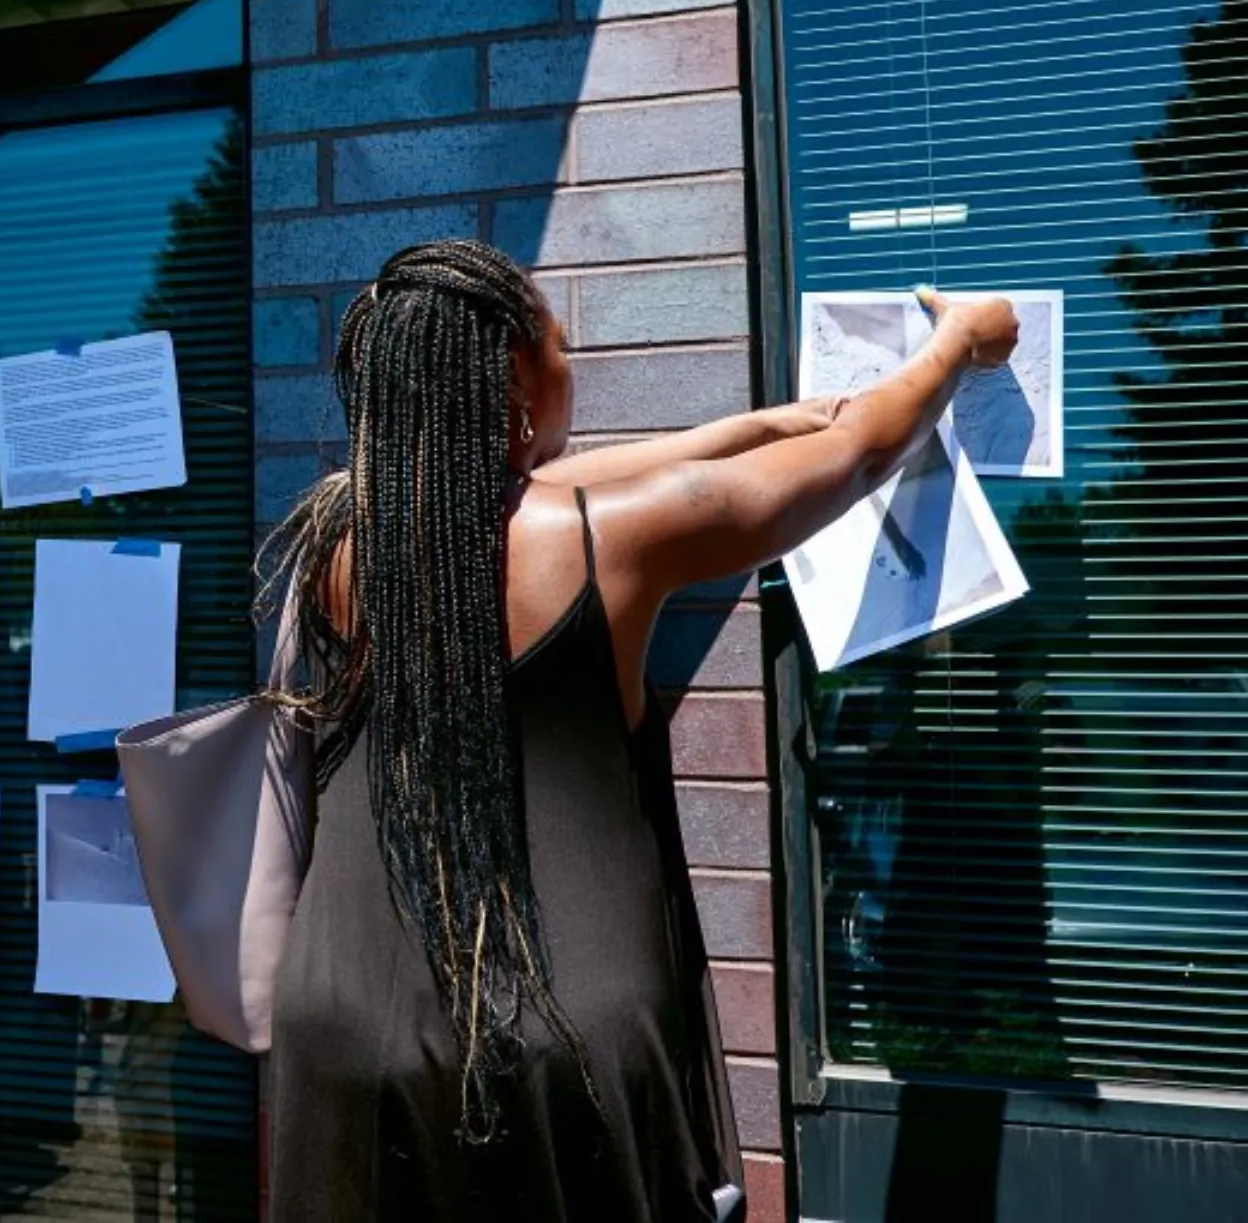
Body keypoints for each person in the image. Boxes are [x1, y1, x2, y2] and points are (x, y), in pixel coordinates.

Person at [263, 241, 1019, 1221]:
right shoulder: (604, 537)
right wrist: (958, 342)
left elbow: (594, 474)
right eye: (561, 345)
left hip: (338, 1027)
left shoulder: (334, 542)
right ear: (517, 381)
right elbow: (864, 453)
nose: (575, 362)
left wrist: (755, 425)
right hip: (557, 1046)